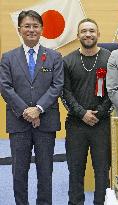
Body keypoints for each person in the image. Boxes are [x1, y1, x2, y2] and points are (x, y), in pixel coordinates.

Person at [0, 10, 63, 205]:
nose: (31, 30)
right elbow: (5, 87)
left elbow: (57, 85)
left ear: (42, 29)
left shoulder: (54, 56)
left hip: (46, 123)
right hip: (18, 123)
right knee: (19, 172)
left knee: (45, 172)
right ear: (19, 29)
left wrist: (38, 109)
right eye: (27, 26)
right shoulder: (8, 58)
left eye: (35, 26)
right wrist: (26, 111)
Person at [61, 18, 112, 205]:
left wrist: (98, 113)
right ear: (78, 36)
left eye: (92, 30)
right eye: (84, 31)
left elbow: (113, 91)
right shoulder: (67, 61)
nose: (88, 34)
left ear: (98, 34)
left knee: (101, 171)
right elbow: (65, 93)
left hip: (102, 123)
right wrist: (82, 113)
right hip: (76, 124)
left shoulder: (109, 58)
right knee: (75, 171)